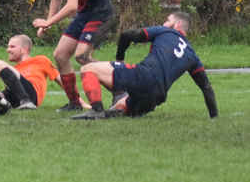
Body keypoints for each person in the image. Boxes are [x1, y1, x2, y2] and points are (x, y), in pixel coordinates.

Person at [72, 11, 218, 120]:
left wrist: (120, 59)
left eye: (167, 20)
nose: (164, 23)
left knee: (88, 68)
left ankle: (96, 110)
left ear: (177, 25)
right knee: (117, 110)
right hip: (157, 97)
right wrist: (214, 117)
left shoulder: (166, 31)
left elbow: (127, 35)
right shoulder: (192, 55)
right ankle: (121, 105)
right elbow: (206, 88)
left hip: (144, 77)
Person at [32, 0, 114, 111]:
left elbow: (71, 7)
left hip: (100, 13)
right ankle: (75, 103)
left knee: (82, 57)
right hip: (85, 13)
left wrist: (48, 22)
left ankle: (122, 88)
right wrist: (46, 24)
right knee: (60, 55)